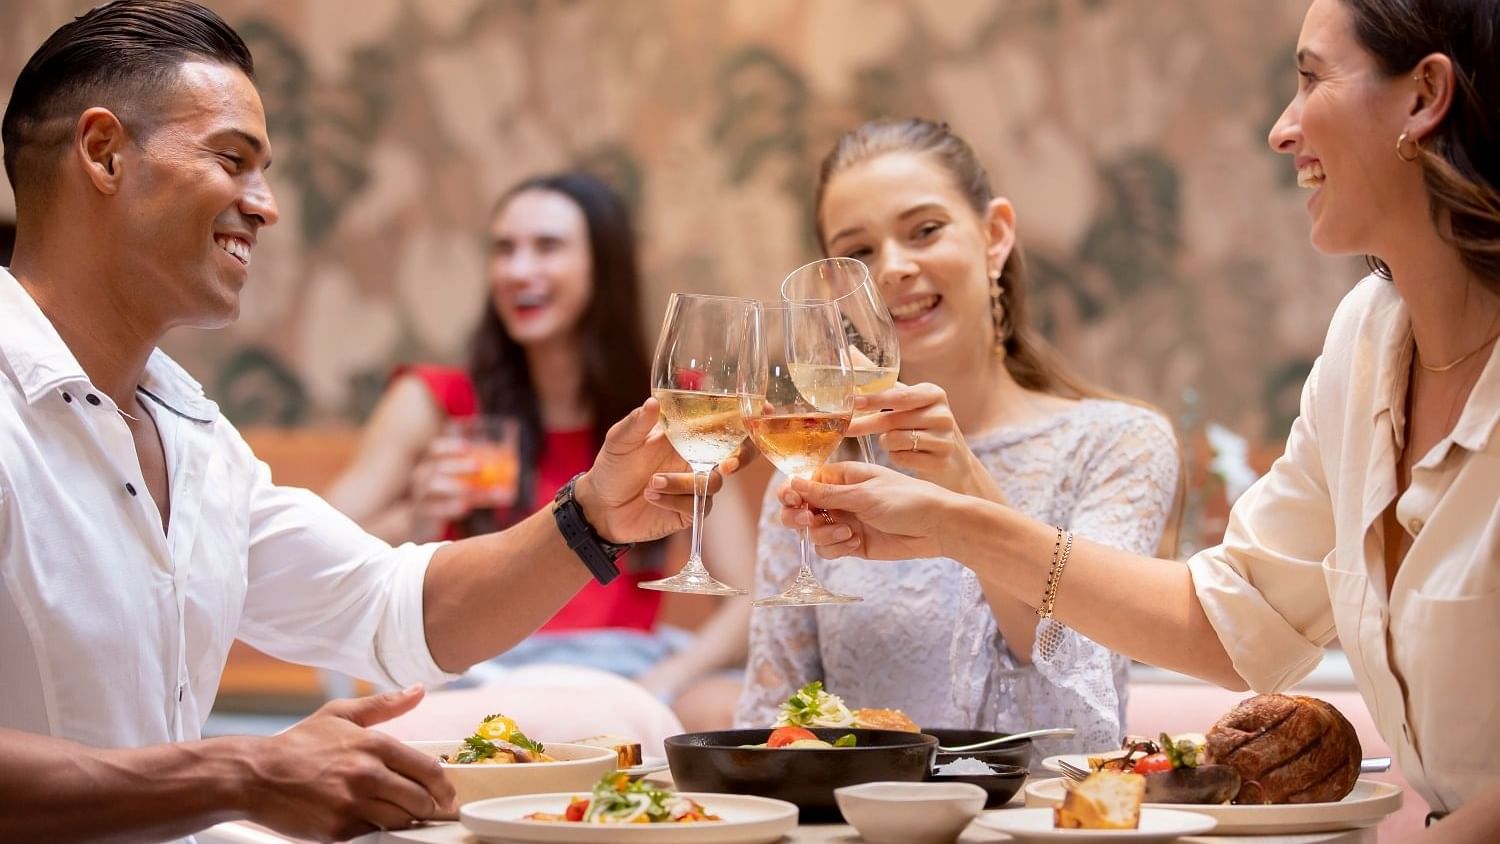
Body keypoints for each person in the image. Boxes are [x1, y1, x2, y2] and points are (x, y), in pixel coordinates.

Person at [0, 3, 726, 841]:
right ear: (103, 153)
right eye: (231, 159)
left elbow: (393, 610)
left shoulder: (194, 435)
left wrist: (593, 516)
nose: (265, 206)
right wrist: (239, 768)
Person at [780, 0, 1500, 838]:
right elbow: (1232, 623)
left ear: (1424, 96)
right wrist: (956, 526)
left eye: (1309, 79)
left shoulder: (1117, 438)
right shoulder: (1368, 341)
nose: (1282, 128)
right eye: (857, 249)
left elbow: (1078, 707)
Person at [734, 117, 1182, 756]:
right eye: (858, 252)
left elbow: (1075, 687)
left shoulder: (1119, 443)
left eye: (924, 230)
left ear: (994, 235)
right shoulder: (811, 475)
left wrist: (961, 483)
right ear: (835, 288)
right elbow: (769, 723)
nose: (892, 268)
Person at [325, 171, 759, 723]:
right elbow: (321, 547)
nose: (518, 270)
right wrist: (418, 516)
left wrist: (664, 681)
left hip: (627, 667)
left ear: (604, 268)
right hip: (479, 666)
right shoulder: (438, 399)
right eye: (503, 250)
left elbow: (745, 597)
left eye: (547, 247)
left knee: (732, 713)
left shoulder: (674, 407)